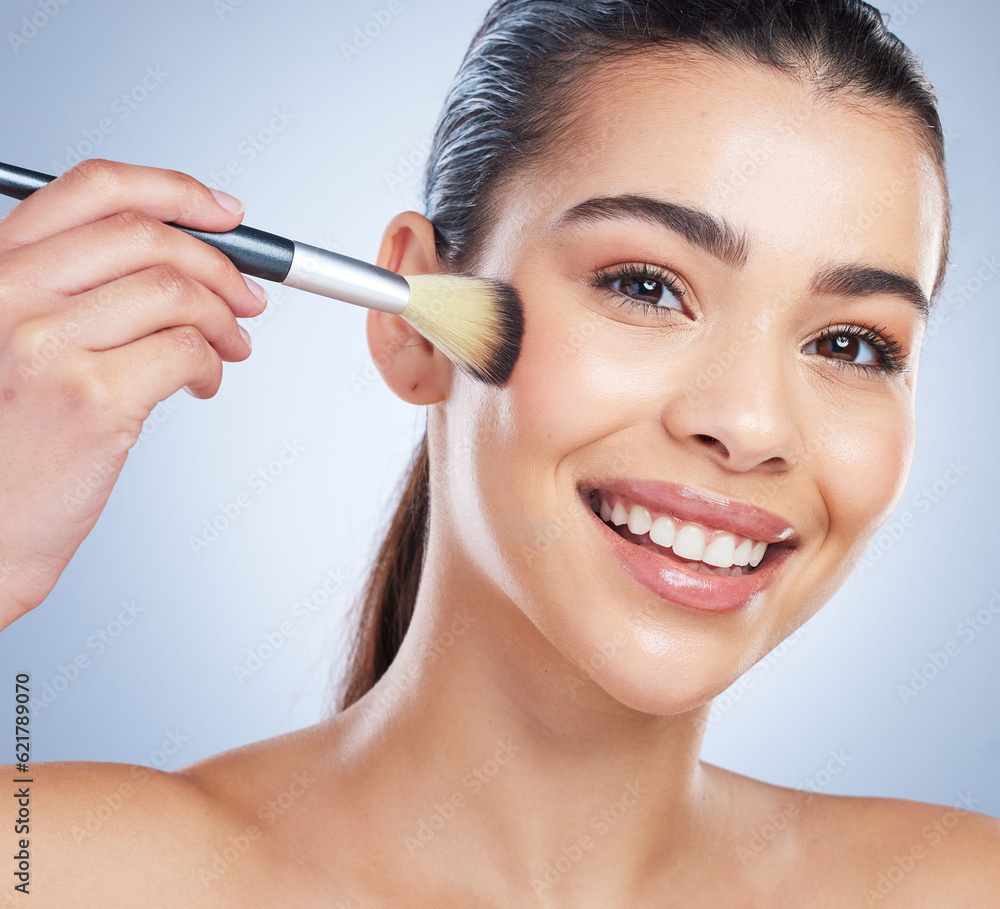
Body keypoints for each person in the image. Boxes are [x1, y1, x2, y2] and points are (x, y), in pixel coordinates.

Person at [2, 0, 998, 905]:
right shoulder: (62, 867)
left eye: (849, 344)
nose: (747, 425)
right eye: (646, 286)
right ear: (413, 319)